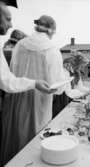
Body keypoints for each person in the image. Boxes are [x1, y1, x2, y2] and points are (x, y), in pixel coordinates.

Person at [0, 15, 64, 165]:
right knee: (34, 147)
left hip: (15, 100)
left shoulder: (19, 45)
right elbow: (58, 88)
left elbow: (10, 74)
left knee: (15, 140)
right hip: (38, 106)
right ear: (51, 31)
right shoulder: (52, 50)